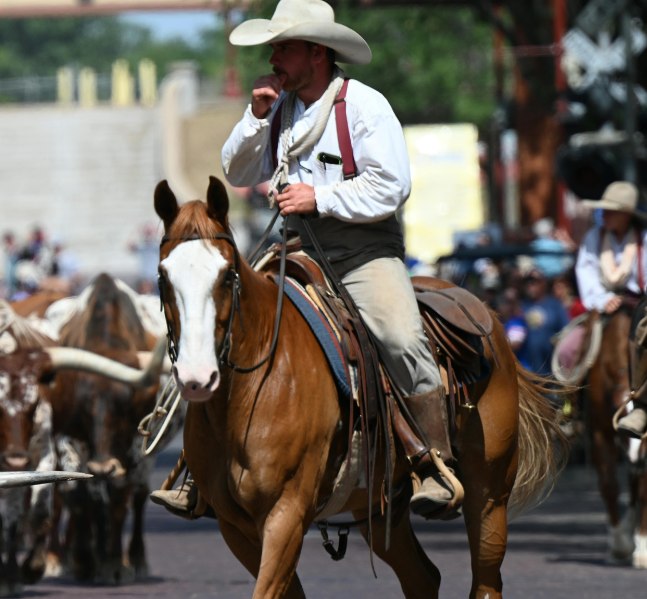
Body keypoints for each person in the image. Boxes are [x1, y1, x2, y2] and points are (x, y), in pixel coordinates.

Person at [218, 0, 458, 516]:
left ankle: (435, 464)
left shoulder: (366, 106)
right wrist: (256, 117)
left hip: (362, 252)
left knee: (399, 336)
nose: (274, 56)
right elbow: (236, 172)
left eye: (284, 46)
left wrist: (319, 198)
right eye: (274, 46)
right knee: (224, 318)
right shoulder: (275, 106)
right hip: (295, 249)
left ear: (318, 53)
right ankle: (199, 468)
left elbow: (392, 187)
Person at [574, 182, 647, 436]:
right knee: (571, 346)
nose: (604, 215)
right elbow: (586, 272)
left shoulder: (643, 238)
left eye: (611, 211)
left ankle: (641, 405)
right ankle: (571, 407)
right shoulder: (594, 237)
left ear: (626, 214)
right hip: (602, 306)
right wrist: (603, 298)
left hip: (640, 304)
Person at [517, 270, 567, 374]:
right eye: (527, 283)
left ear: (543, 284)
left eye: (534, 282)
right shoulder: (520, 307)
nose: (530, 286)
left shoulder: (554, 305)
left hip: (552, 368)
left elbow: (566, 329)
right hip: (528, 368)